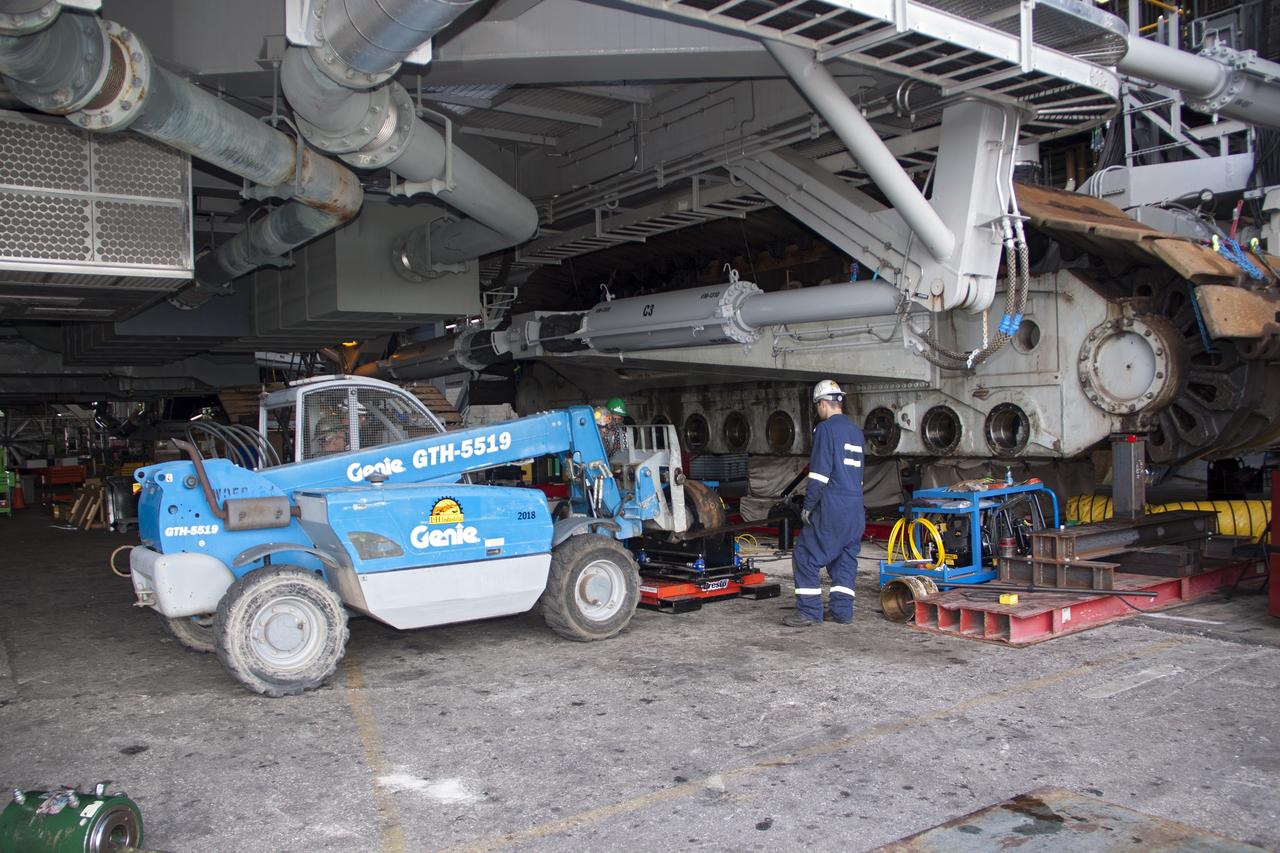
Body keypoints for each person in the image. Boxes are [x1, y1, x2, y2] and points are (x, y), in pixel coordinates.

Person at [784, 379, 866, 628]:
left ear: (821, 404)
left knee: (805, 555)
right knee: (844, 557)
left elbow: (819, 474)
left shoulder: (825, 430)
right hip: (855, 507)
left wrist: (808, 505)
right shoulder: (856, 431)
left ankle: (809, 612)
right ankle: (842, 611)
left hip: (833, 505)